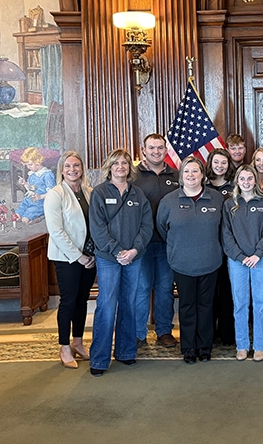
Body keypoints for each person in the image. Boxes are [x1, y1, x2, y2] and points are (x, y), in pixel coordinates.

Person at [88, 149, 154, 377]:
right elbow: (97, 229)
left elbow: (147, 226)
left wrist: (134, 250)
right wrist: (117, 251)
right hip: (108, 259)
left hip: (133, 259)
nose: (121, 167)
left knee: (129, 303)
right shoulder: (99, 193)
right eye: (116, 163)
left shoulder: (138, 194)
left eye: (125, 163)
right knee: (107, 306)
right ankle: (99, 358)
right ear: (109, 167)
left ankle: (126, 352)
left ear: (130, 168)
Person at [156, 157, 224, 364]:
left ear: (203, 175)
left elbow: (223, 229)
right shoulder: (168, 201)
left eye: (195, 171)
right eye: (187, 172)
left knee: (206, 306)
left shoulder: (216, 198)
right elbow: (162, 228)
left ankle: (204, 347)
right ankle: (188, 348)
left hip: (210, 262)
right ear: (181, 176)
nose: (191, 175)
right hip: (182, 263)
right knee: (186, 306)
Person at [44, 150, 97, 369]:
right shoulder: (56, 194)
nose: (72, 170)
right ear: (61, 170)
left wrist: (91, 255)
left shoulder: (89, 192)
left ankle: (78, 342)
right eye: (68, 166)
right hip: (67, 259)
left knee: (82, 300)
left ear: (82, 168)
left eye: (76, 165)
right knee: (68, 301)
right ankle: (64, 346)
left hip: (90, 257)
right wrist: (79, 257)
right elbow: (56, 231)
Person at [221, 165, 263, 361]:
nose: (246, 182)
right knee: (240, 304)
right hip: (238, 262)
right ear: (237, 181)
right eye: (242, 179)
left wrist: (257, 254)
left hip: (261, 260)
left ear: (255, 180)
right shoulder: (229, 205)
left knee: (261, 303)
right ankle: (242, 345)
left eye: (249, 179)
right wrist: (240, 256)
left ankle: (260, 345)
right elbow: (226, 234)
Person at [133, 134, 179, 349]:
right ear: (144, 150)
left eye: (160, 148)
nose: (156, 152)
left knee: (165, 288)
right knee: (141, 288)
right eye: (151, 148)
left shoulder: (177, 175)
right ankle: (138, 333)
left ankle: (164, 331)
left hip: (169, 244)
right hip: (141, 244)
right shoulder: (134, 175)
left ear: (166, 150)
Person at [206, 147, 236, 344]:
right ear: (210, 164)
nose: (219, 166)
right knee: (209, 292)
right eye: (216, 162)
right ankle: (209, 332)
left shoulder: (235, 187)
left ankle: (227, 333)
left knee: (227, 291)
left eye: (223, 162)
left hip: (230, 247)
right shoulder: (202, 185)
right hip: (207, 246)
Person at [15, 147, 55, 224]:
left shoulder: (47, 174)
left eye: (30, 164)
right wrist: (25, 183)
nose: (28, 167)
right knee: (17, 215)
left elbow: (52, 193)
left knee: (25, 219)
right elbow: (31, 189)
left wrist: (40, 197)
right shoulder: (32, 174)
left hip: (41, 201)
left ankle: (40, 217)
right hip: (30, 199)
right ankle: (26, 215)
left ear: (38, 162)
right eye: (27, 165)